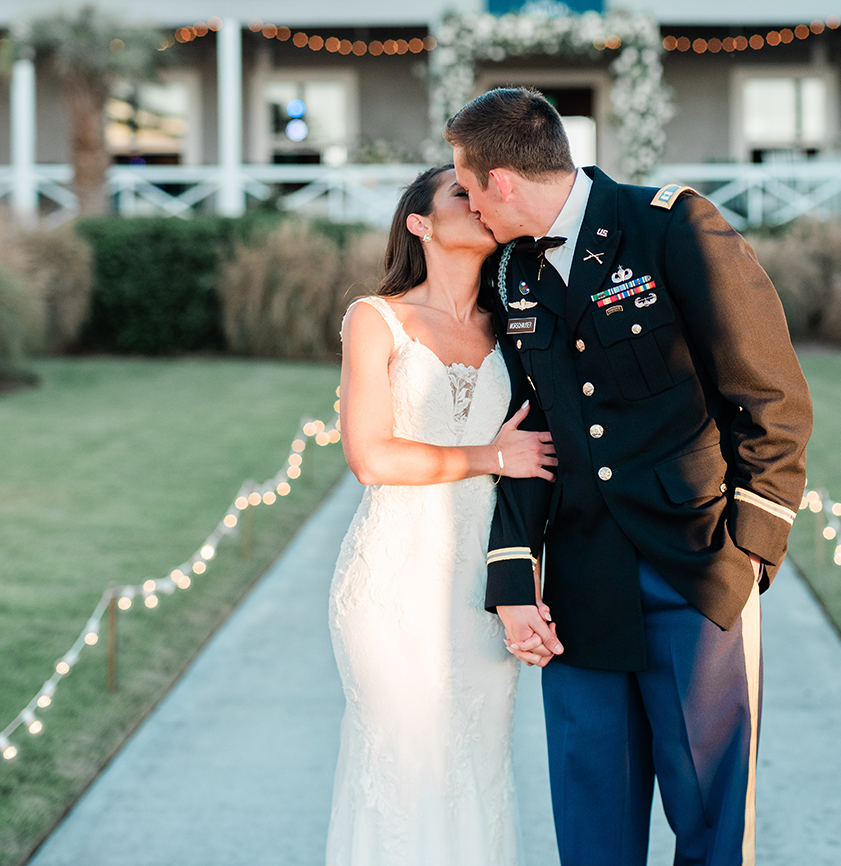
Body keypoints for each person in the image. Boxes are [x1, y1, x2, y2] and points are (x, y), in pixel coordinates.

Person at [447, 88, 813, 866]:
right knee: (591, 823)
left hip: (695, 566)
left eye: (470, 187)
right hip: (581, 583)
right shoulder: (512, 273)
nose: (471, 206)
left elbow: (770, 394)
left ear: (502, 181)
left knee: (710, 819)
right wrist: (515, 576)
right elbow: (525, 432)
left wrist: (749, 547)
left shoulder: (671, 225)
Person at [329, 164, 559, 865]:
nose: (479, 201)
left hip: (476, 593)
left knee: (476, 771)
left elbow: (542, 464)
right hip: (392, 585)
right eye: (459, 193)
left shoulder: (517, 325)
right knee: (402, 771)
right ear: (419, 223)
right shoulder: (378, 319)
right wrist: (489, 455)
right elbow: (371, 457)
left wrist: (525, 585)